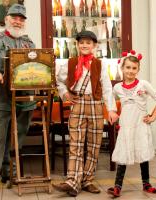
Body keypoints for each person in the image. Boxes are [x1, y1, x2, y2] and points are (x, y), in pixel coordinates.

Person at [53, 30, 119, 197]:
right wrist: (64, 93)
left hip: (96, 105)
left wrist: (111, 109)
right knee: (75, 144)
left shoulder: (100, 64)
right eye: (81, 42)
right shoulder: (70, 63)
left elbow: (107, 87)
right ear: (77, 45)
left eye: (88, 43)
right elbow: (58, 81)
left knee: (94, 144)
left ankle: (87, 180)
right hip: (78, 104)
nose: (84, 45)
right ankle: (72, 181)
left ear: (94, 46)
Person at [0, 4, 36, 193]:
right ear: (6, 19)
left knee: (17, 136)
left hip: (24, 99)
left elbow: (36, 65)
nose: (18, 21)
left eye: (21, 19)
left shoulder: (29, 43)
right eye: (14, 17)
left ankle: (8, 169)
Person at [107, 50, 156, 197]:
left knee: (142, 150)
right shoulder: (117, 87)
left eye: (134, 68)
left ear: (138, 70)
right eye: (128, 67)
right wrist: (112, 111)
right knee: (123, 152)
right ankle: (117, 186)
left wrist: (152, 117)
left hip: (140, 123)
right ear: (122, 68)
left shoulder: (143, 84)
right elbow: (109, 99)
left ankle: (146, 183)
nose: (131, 71)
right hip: (126, 125)